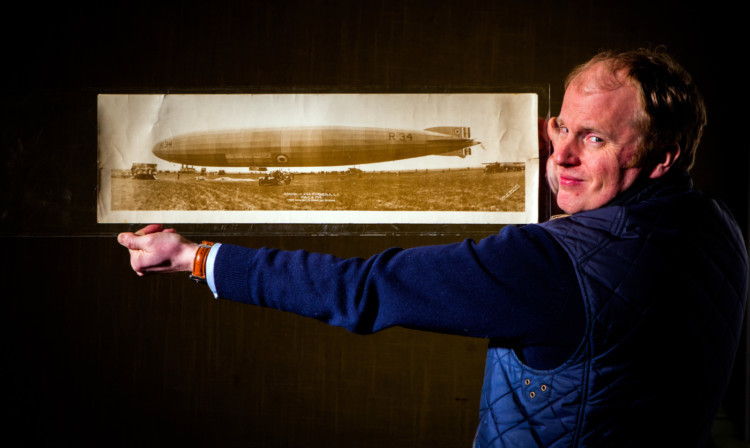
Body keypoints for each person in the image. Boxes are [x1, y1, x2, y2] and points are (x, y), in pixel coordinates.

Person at [118, 49, 748, 447]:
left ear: (660, 157)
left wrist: (195, 257)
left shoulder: (549, 268)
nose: (559, 153)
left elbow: (363, 290)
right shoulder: (715, 224)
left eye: (594, 138)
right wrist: (579, 151)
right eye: (561, 126)